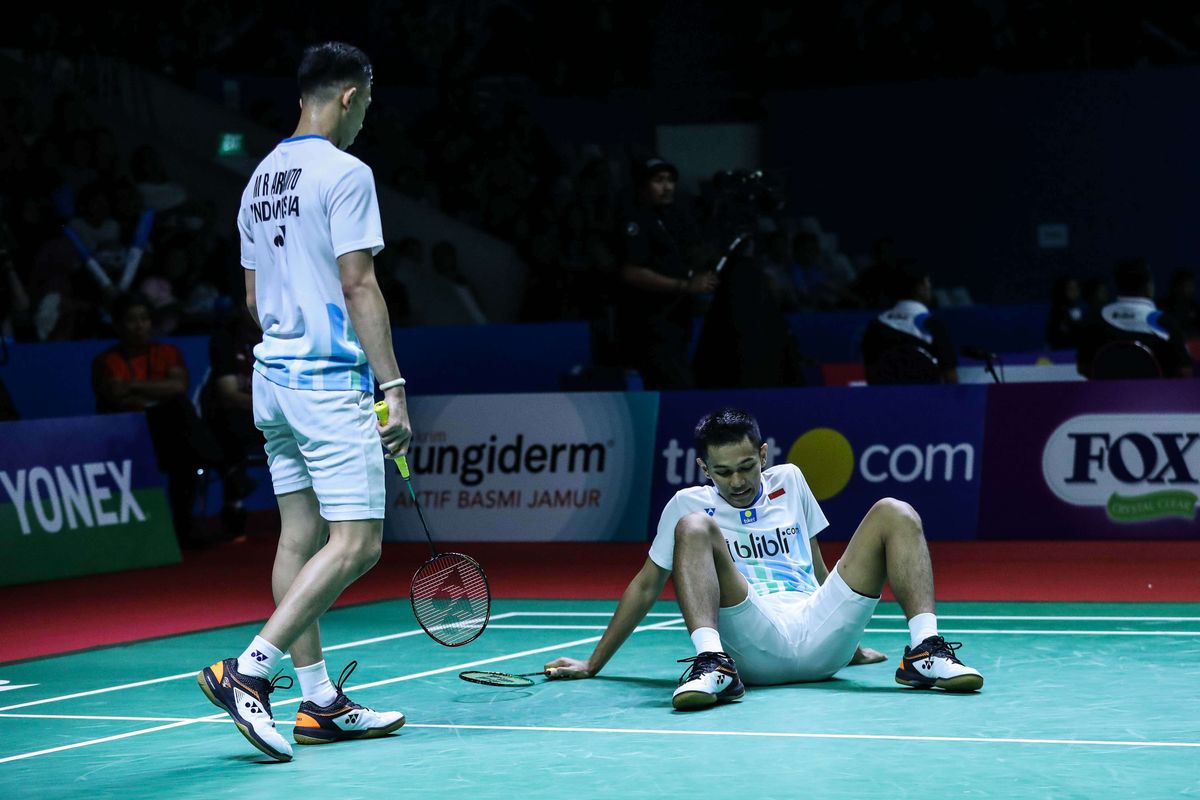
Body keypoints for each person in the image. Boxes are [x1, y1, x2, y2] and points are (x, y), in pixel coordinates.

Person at [197, 42, 412, 763]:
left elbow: (253, 298)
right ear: (350, 96)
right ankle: (250, 670)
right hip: (325, 383)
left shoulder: (258, 180)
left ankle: (319, 701)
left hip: (272, 381)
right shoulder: (346, 173)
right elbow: (359, 283)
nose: (365, 117)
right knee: (357, 542)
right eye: (368, 104)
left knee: (298, 536)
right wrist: (391, 387)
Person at [544, 408, 983, 710]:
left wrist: (848, 644)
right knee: (694, 527)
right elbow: (645, 587)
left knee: (895, 511)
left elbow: (816, 566)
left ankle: (924, 651)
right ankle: (712, 662)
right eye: (723, 471)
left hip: (820, 639)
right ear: (704, 468)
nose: (737, 481)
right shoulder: (687, 504)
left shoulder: (790, 480)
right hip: (752, 645)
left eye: (746, 466)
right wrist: (593, 663)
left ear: (763, 455)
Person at [92, 292, 215, 548]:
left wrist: (132, 385)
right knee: (179, 418)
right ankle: (217, 459)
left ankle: (182, 528)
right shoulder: (107, 360)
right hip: (126, 433)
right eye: (132, 320)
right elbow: (115, 395)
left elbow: (178, 386)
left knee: (181, 430)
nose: (140, 326)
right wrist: (159, 389)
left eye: (145, 319)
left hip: (165, 432)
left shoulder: (167, 352)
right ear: (118, 326)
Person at [615, 157, 718, 389]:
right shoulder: (634, 220)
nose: (667, 186)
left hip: (676, 323)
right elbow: (631, 272)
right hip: (650, 327)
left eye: (670, 180)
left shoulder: (670, 218)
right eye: (659, 180)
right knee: (681, 390)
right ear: (642, 186)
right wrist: (685, 286)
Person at [1076, 258, 1193, 379]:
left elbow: (1083, 368)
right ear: (1149, 287)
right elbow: (1185, 372)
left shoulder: (1095, 319)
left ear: (1118, 285)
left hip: (1106, 391)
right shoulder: (1165, 324)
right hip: (1155, 392)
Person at [861, 261, 958, 384]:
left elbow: (870, 374)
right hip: (927, 395)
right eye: (927, 282)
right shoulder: (932, 324)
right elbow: (951, 377)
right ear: (919, 288)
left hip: (885, 396)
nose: (929, 287)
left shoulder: (876, 325)